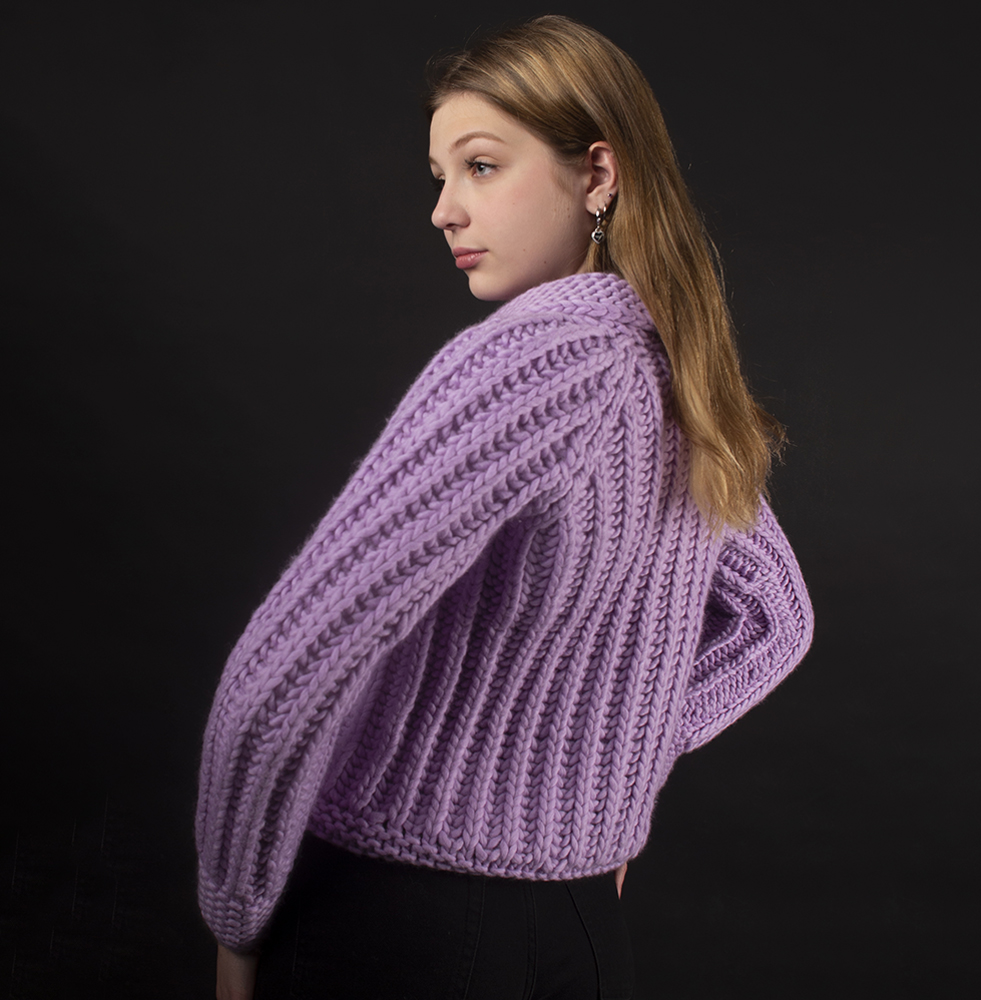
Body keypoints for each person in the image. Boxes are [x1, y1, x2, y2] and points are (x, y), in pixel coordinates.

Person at [198, 15, 813, 1000]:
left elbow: (284, 668)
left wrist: (235, 918)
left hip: (396, 922)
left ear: (598, 174)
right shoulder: (679, 377)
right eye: (440, 175)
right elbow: (774, 622)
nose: (443, 210)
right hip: (577, 927)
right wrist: (600, 788)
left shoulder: (526, 360)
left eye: (481, 167)